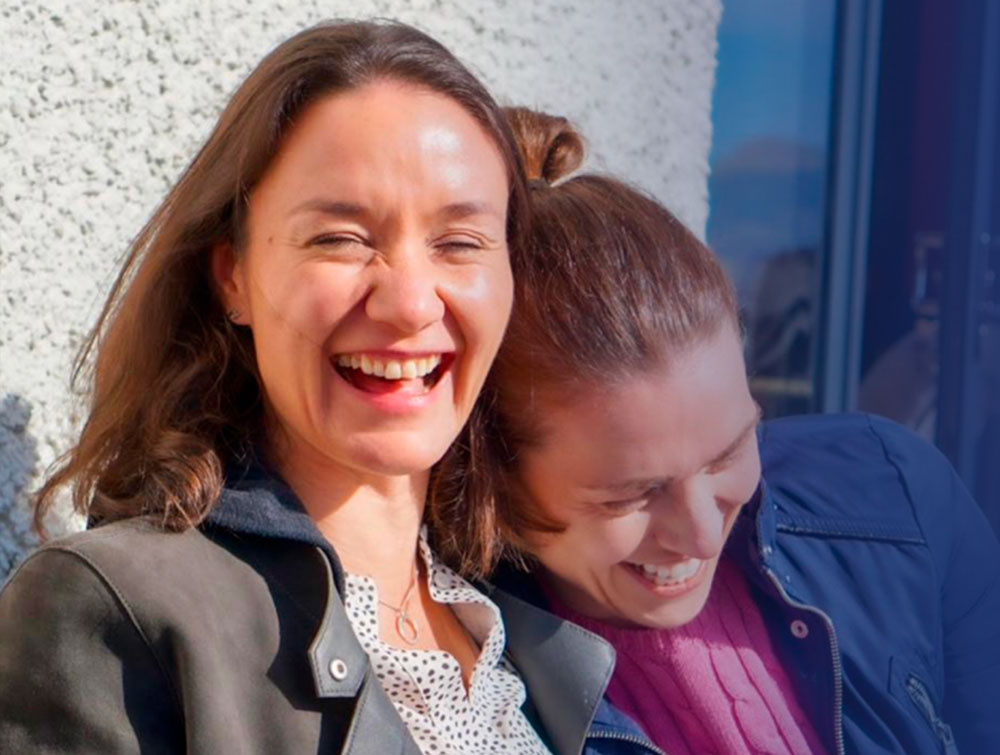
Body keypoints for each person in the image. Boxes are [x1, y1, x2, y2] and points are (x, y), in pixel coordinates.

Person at [0, 24, 604, 755]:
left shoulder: (544, 618)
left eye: (459, 243)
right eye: (341, 238)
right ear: (233, 275)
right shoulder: (119, 612)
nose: (410, 304)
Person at [483, 108, 1000, 755]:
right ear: (498, 483)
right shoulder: (460, 684)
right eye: (632, 494)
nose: (704, 535)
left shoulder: (897, 493)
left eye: (728, 452)